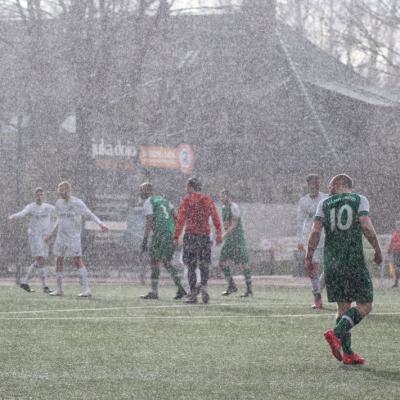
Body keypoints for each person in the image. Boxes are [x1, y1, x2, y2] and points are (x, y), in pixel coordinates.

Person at [306, 174, 382, 365]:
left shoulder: (324, 204)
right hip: (353, 261)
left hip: (332, 263)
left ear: (341, 183)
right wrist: (377, 248)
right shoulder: (359, 199)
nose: (329, 189)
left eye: (331, 186)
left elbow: (315, 231)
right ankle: (336, 334)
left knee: (343, 308)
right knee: (365, 305)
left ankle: (348, 353)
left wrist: (309, 255)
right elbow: (365, 225)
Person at [48, 181, 108, 297]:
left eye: (62, 189)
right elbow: (58, 219)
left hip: (73, 237)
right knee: (58, 260)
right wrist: (51, 233)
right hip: (61, 237)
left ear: (68, 190)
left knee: (77, 261)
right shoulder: (58, 203)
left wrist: (101, 224)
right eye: (59, 190)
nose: (60, 192)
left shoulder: (77, 202)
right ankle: (59, 289)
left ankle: (87, 290)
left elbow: (89, 214)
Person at [174, 177, 222, 304]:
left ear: (190, 187)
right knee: (204, 264)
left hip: (191, 235)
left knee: (191, 266)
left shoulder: (187, 200)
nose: (185, 189)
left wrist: (176, 235)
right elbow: (216, 217)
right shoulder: (207, 199)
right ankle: (204, 286)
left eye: (187, 186)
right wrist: (218, 234)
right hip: (204, 236)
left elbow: (180, 219)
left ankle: (193, 294)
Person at [139, 182, 186, 300]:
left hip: (159, 233)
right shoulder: (165, 201)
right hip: (170, 233)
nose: (141, 192)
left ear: (148, 191)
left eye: (142, 190)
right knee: (167, 262)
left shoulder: (148, 201)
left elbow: (149, 220)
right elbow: (176, 217)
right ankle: (180, 288)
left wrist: (145, 239)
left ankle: (154, 292)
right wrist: (177, 234)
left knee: (154, 261)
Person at [8, 187, 55, 293]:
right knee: (40, 259)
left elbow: (59, 211)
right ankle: (45, 287)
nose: (39, 197)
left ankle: (25, 282)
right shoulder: (31, 207)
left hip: (45, 237)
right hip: (34, 236)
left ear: (44, 196)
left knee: (41, 261)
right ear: (34, 196)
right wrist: (13, 216)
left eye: (41, 194)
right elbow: (22, 213)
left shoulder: (48, 207)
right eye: (37, 195)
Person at [297, 174, 328, 309]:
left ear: (319, 184)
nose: (314, 186)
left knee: (329, 268)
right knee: (312, 266)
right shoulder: (303, 201)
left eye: (316, 183)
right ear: (307, 185)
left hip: (327, 237)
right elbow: (299, 221)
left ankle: (318, 288)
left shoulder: (326, 198)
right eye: (311, 184)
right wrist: (300, 240)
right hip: (311, 239)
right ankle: (317, 296)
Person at [218, 189, 252, 297]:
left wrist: (222, 236)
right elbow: (226, 225)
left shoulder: (234, 207)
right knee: (222, 262)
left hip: (237, 239)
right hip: (230, 239)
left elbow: (234, 225)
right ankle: (231, 285)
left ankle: (249, 289)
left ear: (228, 196)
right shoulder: (223, 208)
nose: (221, 198)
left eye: (223, 196)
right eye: (220, 196)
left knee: (244, 263)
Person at [387, 221, 400, 288]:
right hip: (396, 252)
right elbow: (392, 243)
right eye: (397, 226)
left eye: (398, 226)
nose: (398, 227)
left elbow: (393, 243)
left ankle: (396, 282)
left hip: (397, 252)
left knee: (397, 267)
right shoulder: (395, 234)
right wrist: (389, 250)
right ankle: (396, 282)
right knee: (396, 267)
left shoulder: (395, 234)